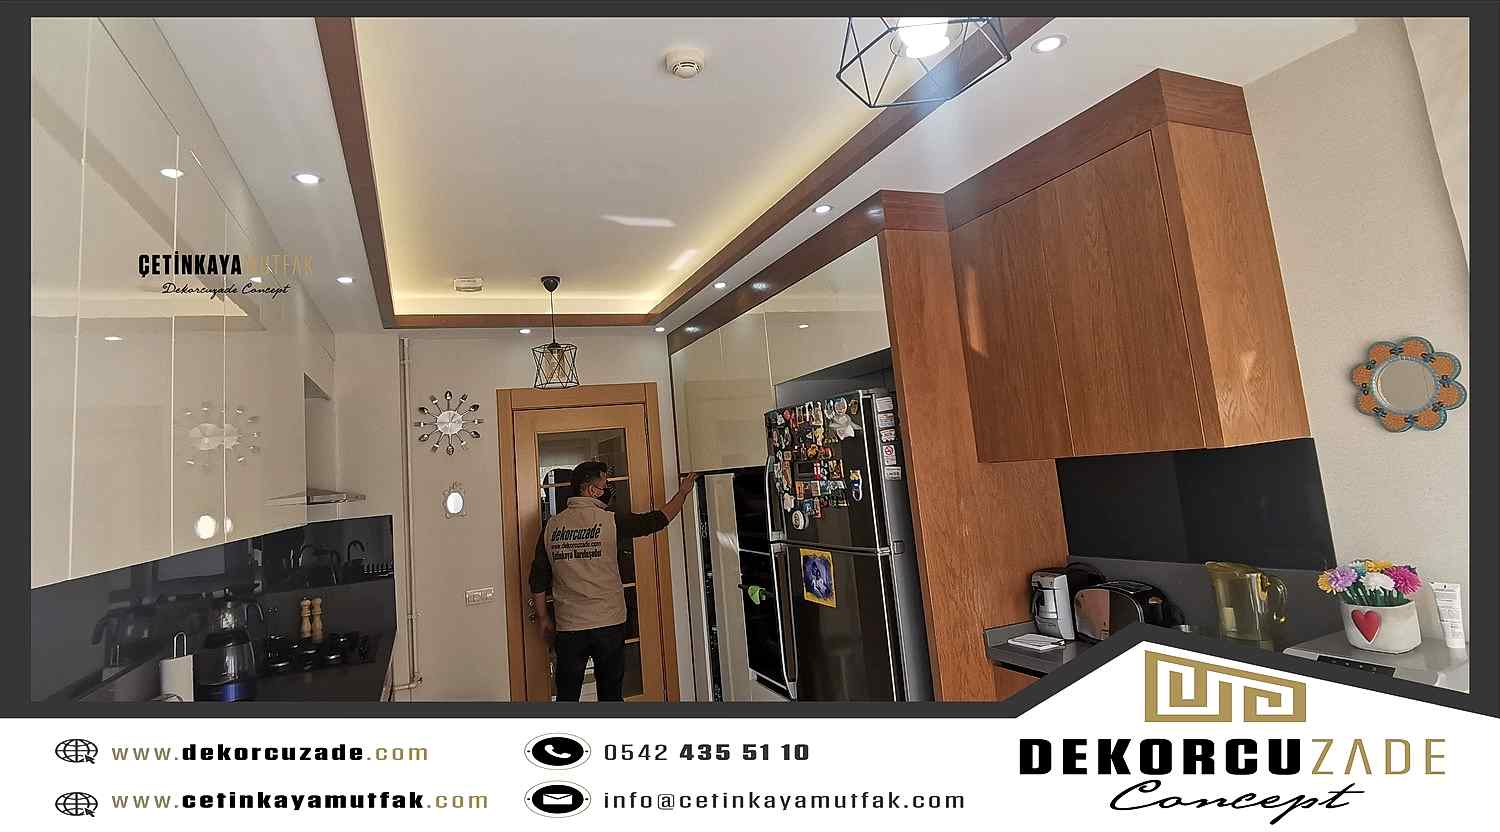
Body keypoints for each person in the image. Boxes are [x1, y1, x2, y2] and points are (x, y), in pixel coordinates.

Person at [529, 461, 698, 701]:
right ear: (590, 490)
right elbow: (657, 520)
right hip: (608, 624)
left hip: (569, 626)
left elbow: (538, 578)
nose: (607, 490)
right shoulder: (610, 521)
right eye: (604, 485)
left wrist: (544, 618)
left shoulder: (551, 526)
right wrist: (683, 493)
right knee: (611, 696)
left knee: (567, 697)